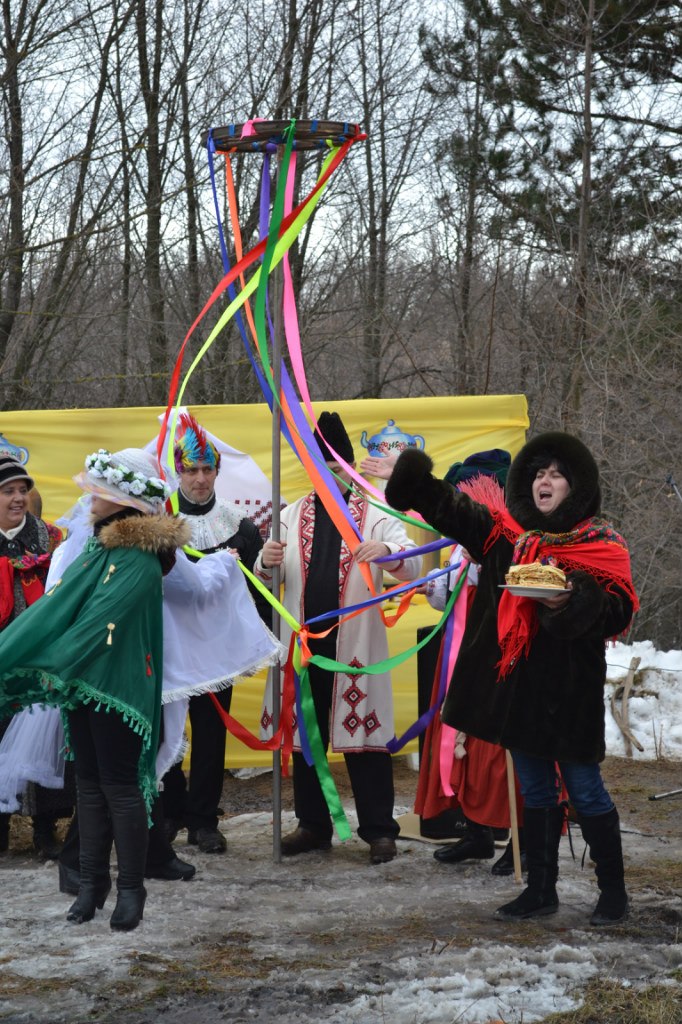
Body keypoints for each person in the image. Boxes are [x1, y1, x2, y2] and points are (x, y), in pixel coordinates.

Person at [385, 432, 638, 924]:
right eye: (539, 473)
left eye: (556, 474)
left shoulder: (603, 544)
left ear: (576, 486)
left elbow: (618, 611)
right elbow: (458, 513)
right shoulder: (508, 537)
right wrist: (417, 484)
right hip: (518, 693)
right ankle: (541, 890)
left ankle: (614, 893)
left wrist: (572, 598)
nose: (545, 480)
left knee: (585, 793)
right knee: (536, 793)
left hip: (571, 696)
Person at [0, 447, 188, 930]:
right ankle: (91, 885)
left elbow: (94, 627)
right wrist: (14, 648)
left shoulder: (139, 562)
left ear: (122, 501)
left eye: (97, 493)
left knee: (121, 790)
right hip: (84, 685)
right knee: (88, 785)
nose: (89, 498)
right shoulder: (99, 548)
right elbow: (57, 608)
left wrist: (47, 665)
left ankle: (131, 890)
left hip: (118, 689)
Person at [254, 411, 422, 864]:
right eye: (318, 464)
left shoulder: (376, 515)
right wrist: (265, 560)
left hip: (356, 648)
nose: (327, 473)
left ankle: (379, 831)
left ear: (348, 466)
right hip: (306, 647)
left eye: (334, 465)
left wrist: (387, 552)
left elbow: (413, 562)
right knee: (308, 738)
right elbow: (265, 579)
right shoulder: (290, 514)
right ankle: (313, 825)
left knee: (365, 740)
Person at [362, 448, 524, 875]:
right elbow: (445, 595)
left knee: (497, 751)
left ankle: (518, 842)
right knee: (460, 744)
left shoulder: (511, 538)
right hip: (461, 661)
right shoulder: (462, 547)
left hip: (499, 661)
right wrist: (425, 587)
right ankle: (476, 833)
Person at [161, 413, 271, 854]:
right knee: (167, 730)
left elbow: (260, 590)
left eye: (208, 469)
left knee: (211, 732)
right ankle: (169, 811)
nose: (201, 479)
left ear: (217, 471)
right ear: (178, 470)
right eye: (192, 470)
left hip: (216, 649)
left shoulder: (239, 526)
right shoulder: (159, 518)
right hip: (169, 646)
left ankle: (204, 820)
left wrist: (251, 637)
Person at [0, 454, 69, 858]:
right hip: (3, 663)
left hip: (43, 661)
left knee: (48, 740)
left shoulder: (53, 538)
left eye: (22, 491)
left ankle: (46, 831)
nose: (17, 499)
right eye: (8, 491)